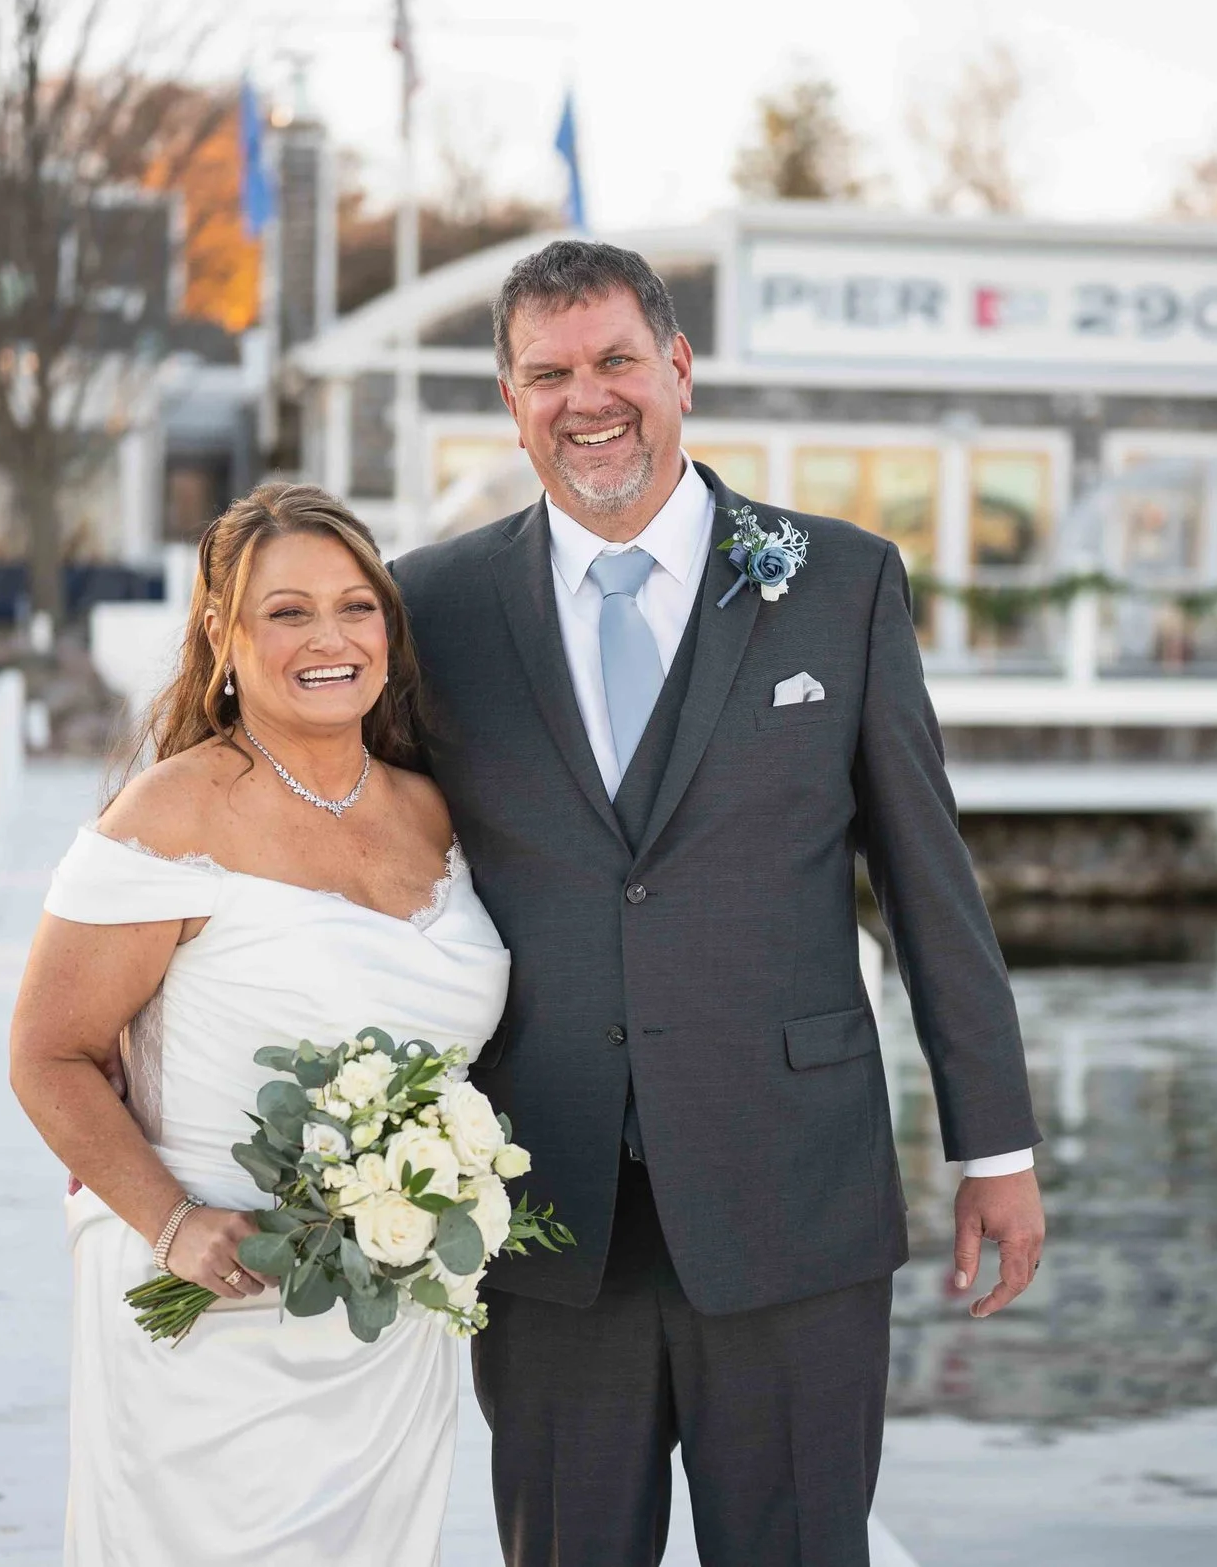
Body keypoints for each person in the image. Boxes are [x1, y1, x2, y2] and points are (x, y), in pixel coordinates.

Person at [393, 239, 1044, 1567]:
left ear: (680, 368)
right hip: (544, 1196)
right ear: (511, 402)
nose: (590, 398)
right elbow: (345, 850)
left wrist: (996, 1145)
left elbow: (931, 882)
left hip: (792, 1192)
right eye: (549, 373)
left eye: (619, 359)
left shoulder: (841, 582)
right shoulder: (431, 606)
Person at [7, 484, 508, 1566]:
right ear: (221, 637)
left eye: (356, 606)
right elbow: (49, 1054)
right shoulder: (171, 814)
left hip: (389, 1313)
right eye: (287, 612)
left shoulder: (438, 809)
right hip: (213, 1295)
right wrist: (175, 1221)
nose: (329, 637)